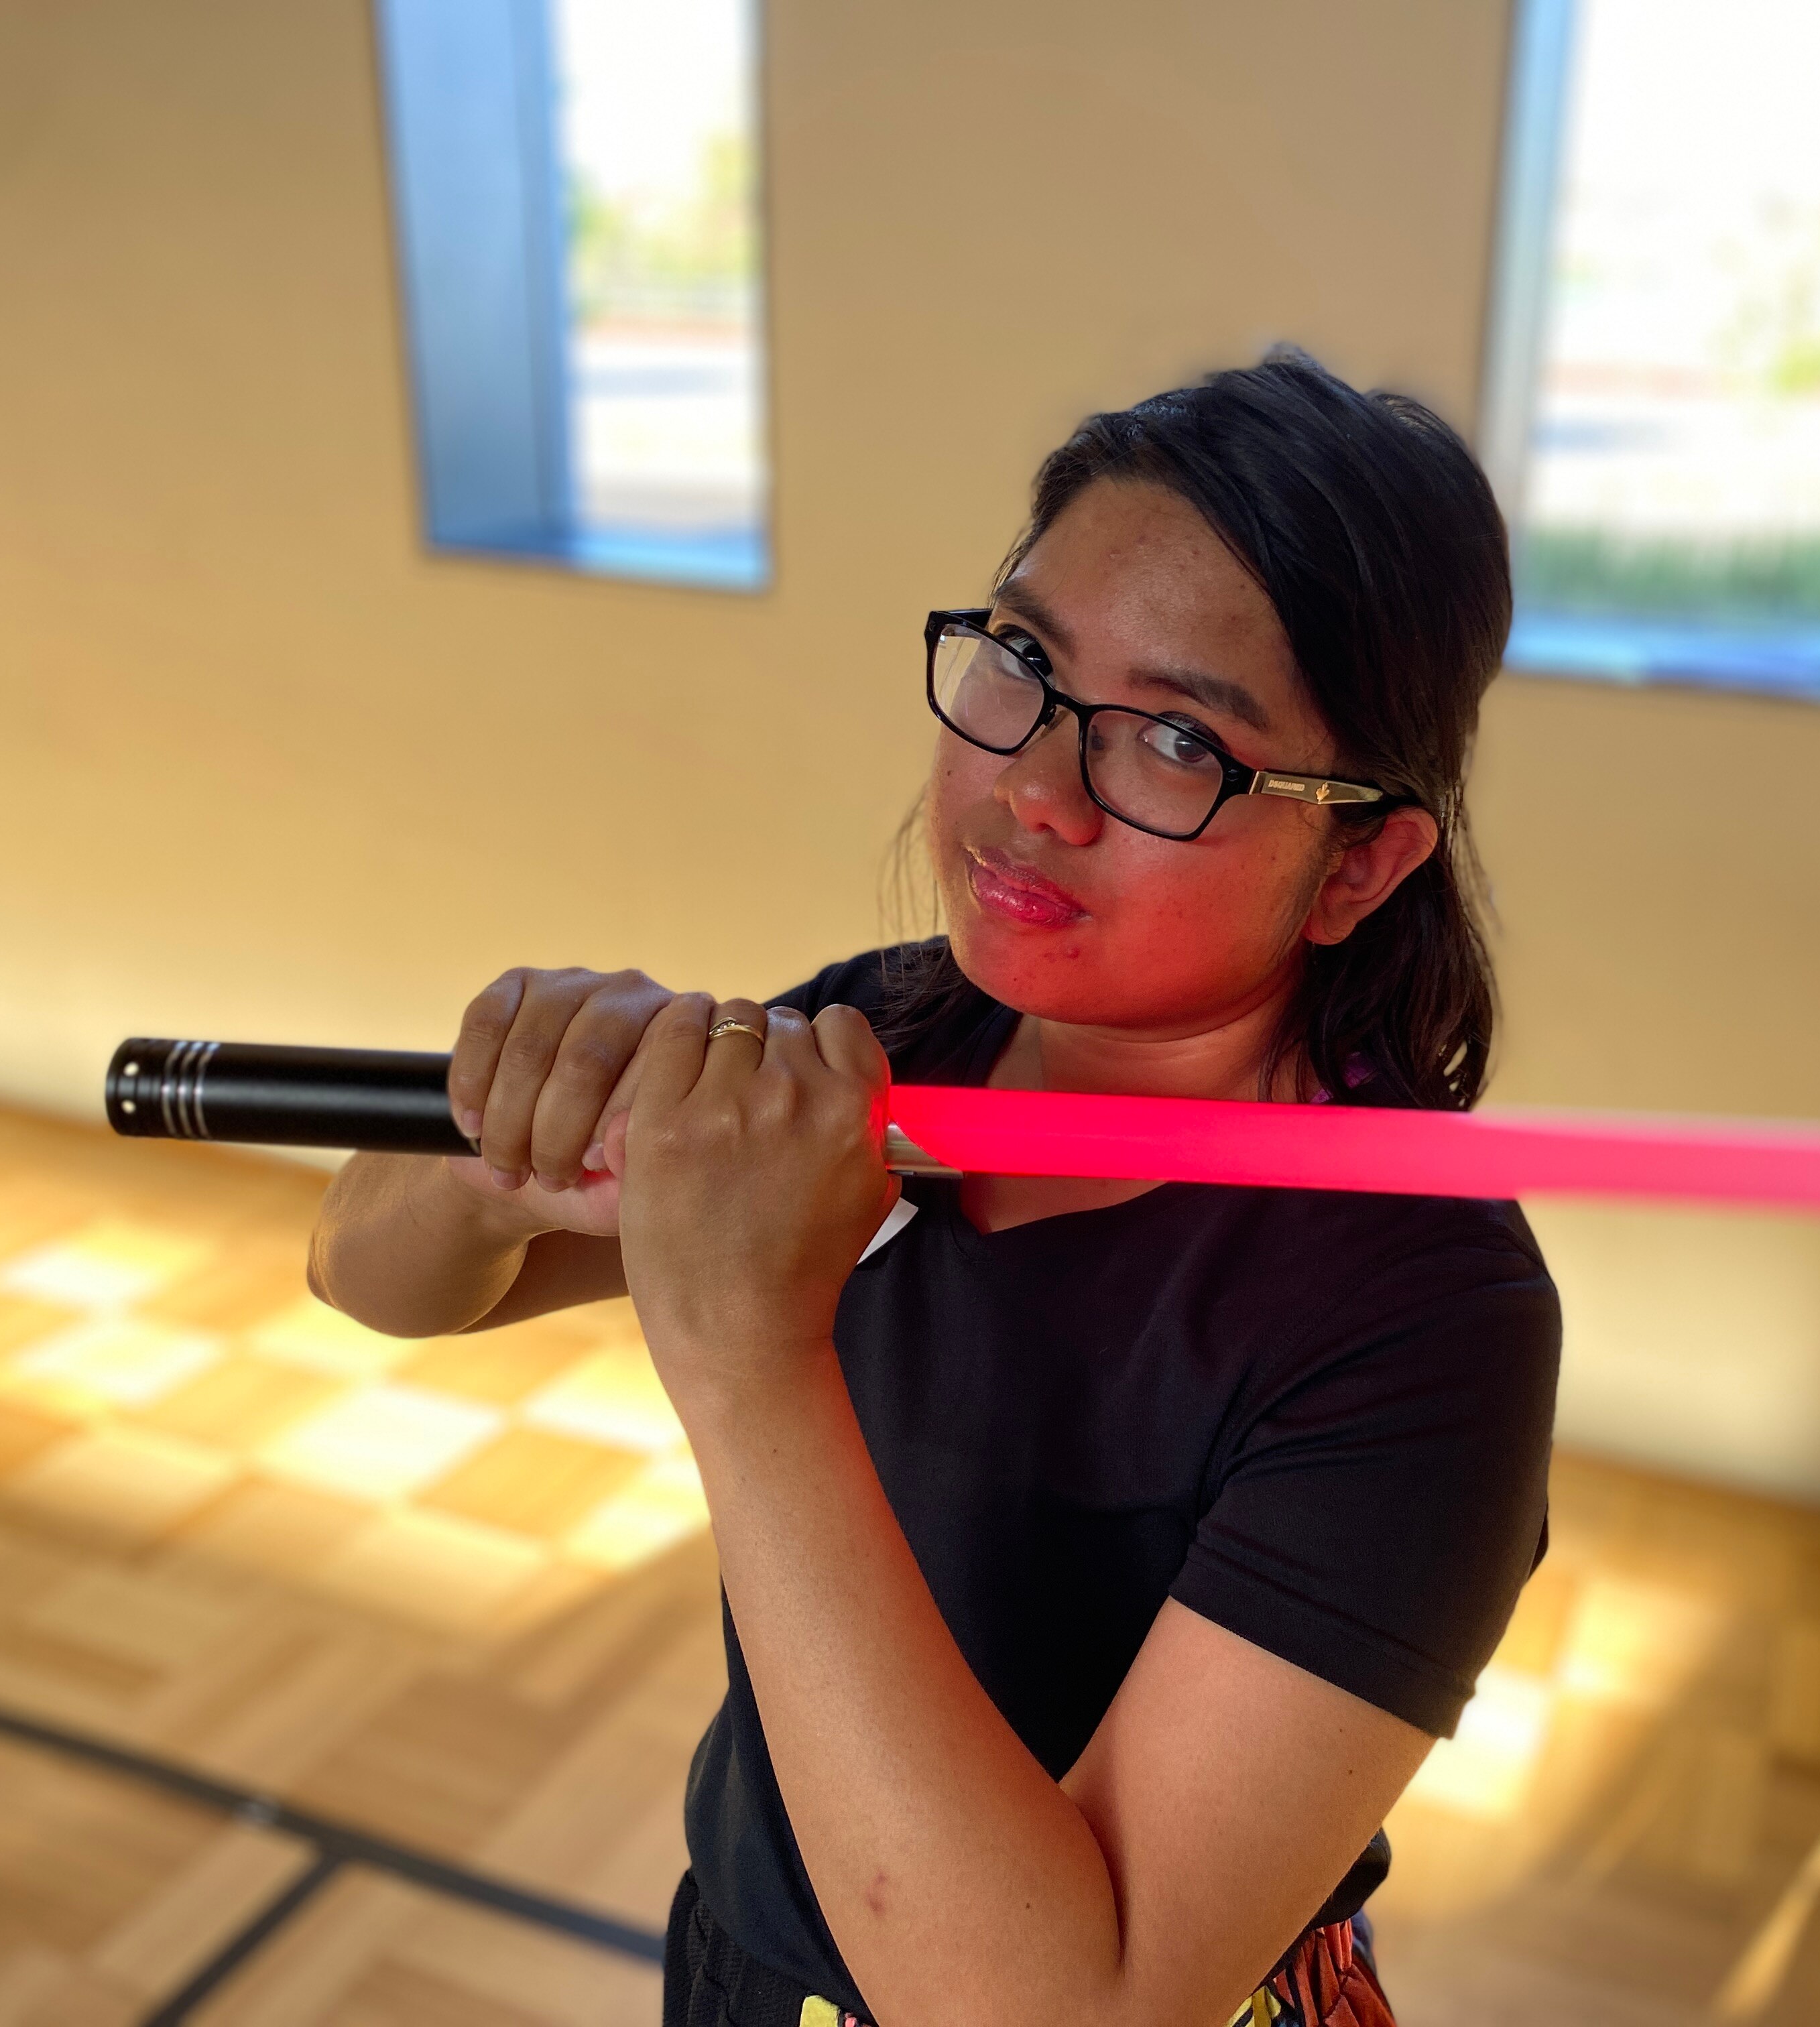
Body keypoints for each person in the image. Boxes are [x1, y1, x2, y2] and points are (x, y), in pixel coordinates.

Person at [308, 349, 1561, 2027]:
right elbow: (361, 1272)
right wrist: (498, 1141)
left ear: (1360, 863)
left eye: (1176, 741)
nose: (1034, 792)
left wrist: (752, 1363)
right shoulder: (887, 1041)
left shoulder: (1424, 1315)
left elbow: (1067, 2010)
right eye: (1024, 663)